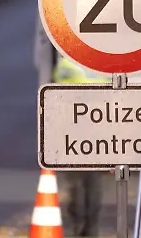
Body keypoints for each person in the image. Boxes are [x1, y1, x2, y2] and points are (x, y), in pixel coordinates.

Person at [53, 56, 108, 237]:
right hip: (97, 131)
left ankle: (79, 224)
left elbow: (55, 96)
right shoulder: (104, 63)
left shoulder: (66, 65)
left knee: (77, 182)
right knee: (91, 181)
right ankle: (90, 227)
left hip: (73, 131)